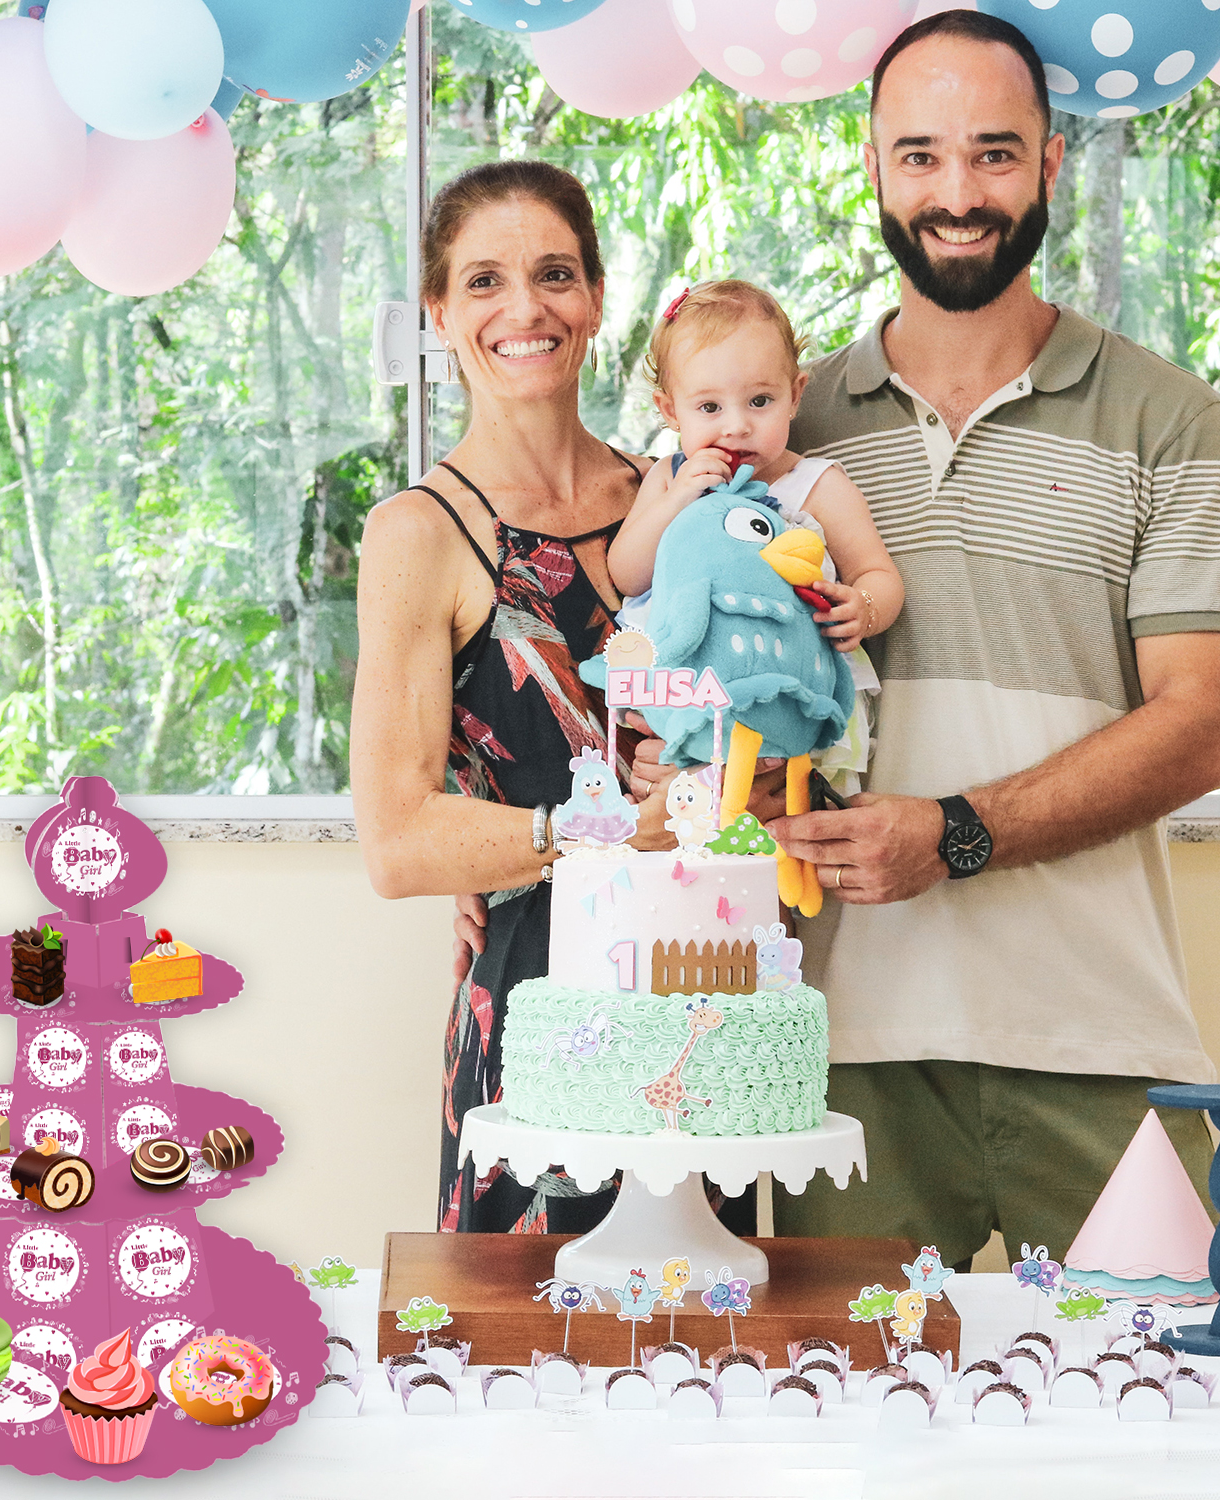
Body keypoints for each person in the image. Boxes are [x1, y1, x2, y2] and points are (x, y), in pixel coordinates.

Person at [766, 10, 1220, 1268]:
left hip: (1102, 1041)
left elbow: (1204, 727)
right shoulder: (786, 433)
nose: (957, 194)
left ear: (1049, 165)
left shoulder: (1171, 417)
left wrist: (957, 832)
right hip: (839, 1058)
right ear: (873, 168)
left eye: (994, 153)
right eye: (921, 156)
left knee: (1161, 1435)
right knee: (853, 1452)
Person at [354, 161, 761, 1235]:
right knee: (519, 1374)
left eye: (553, 274)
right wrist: (610, 832)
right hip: (535, 1005)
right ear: (439, 313)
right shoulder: (419, 535)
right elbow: (398, 841)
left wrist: (730, 793)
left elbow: (760, 724)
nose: (523, 309)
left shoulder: (688, 502)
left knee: (709, 1361)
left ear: (595, 297)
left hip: (698, 998)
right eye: (483, 282)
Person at [607, 278, 904, 795]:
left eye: (760, 400)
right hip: (694, 692)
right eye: (709, 408)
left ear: (796, 395)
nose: (737, 426)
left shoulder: (817, 486)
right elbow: (628, 575)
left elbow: (878, 572)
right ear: (669, 410)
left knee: (801, 823)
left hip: (794, 697)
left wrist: (864, 606)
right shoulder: (669, 477)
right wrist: (678, 499)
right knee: (687, 825)